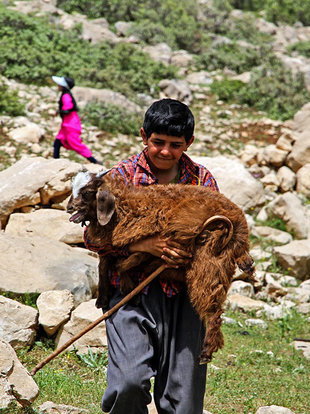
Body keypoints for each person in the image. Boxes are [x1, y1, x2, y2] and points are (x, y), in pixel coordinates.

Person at [84, 98, 219, 413]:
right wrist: (140, 245)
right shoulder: (120, 178)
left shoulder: (201, 180)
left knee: (183, 398)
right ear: (144, 136)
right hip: (131, 291)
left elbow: (218, 230)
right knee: (127, 383)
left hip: (187, 296)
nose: (165, 151)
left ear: (189, 143)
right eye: (158, 142)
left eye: (176, 145)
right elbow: (92, 237)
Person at [51, 75, 100, 164]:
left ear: (63, 86)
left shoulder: (66, 95)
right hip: (67, 124)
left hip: (70, 125)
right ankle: (55, 162)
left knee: (76, 145)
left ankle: (94, 161)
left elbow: (68, 108)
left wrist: (60, 111)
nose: (57, 86)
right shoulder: (66, 94)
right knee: (57, 142)